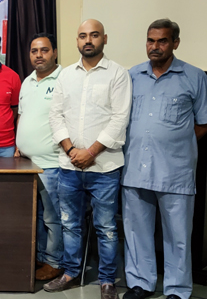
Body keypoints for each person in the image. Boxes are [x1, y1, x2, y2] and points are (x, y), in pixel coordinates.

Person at [121, 19, 207, 299]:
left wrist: (177, 142)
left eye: (162, 41)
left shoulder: (194, 77)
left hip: (174, 170)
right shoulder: (132, 76)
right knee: (137, 231)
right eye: (150, 40)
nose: (155, 46)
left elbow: (206, 122)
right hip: (135, 167)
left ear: (175, 43)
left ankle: (177, 289)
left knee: (177, 235)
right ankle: (141, 283)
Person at [45, 19, 132, 299]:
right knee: (70, 222)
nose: (88, 40)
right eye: (83, 36)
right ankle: (70, 272)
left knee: (106, 227)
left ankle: (107, 280)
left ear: (104, 39)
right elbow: (55, 115)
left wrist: (91, 152)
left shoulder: (118, 74)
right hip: (69, 166)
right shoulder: (66, 75)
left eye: (94, 35)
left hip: (105, 167)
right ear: (77, 41)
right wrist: (72, 151)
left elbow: (120, 119)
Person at [15, 33, 63, 281]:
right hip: (26, 163)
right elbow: (22, 115)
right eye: (34, 51)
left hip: (52, 164)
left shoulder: (65, 79)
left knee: (52, 217)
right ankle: (41, 257)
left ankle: (55, 262)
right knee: (35, 216)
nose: (38, 55)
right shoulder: (27, 81)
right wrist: (17, 144)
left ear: (54, 52)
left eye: (44, 50)